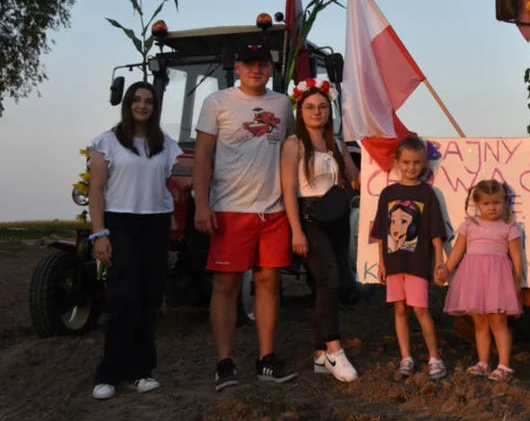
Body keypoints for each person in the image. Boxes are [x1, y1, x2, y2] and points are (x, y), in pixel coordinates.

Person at [194, 43, 297, 390]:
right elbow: (202, 157)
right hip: (230, 209)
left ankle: (266, 359)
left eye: (263, 64)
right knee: (226, 286)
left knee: (268, 284)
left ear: (271, 69)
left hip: (273, 211)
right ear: (237, 67)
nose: (256, 70)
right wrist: (202, 205)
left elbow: (292, 150)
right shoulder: (217, 103)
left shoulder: (282, 104)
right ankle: (225, 362)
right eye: (249, 64)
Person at [87, 82, 182, 400]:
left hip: (155, 224)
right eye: (137, 100)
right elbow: (96, 190)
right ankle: (108, 375)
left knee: (149, 299)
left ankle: (141, 371)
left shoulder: (166, 145)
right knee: (123, 299)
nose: (143, 106)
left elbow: (167, 185)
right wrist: (100, 234)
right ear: (127, 104)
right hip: (120, 223)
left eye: (149, 101)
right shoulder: (108, 142)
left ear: (155, 108)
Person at [281, 80, 362, 383]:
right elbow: (288, 189)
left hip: (337, 217)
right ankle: (334, 350)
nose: (317, 111)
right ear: (300, 112)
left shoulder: (338, 144)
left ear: (330, 111)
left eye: (323, 107)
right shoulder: (294, 145)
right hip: (309, 218)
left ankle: (317, 355)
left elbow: (354, 179)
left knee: (324, 284)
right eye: (310, 107)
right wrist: (296, 231)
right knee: (329, 278)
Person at [370, 136, 448, 379]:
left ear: (424, 164)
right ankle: (406, 357)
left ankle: (435, 357)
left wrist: (439, 262)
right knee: (400, 309)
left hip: (418, 264)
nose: (411, 167)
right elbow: (382, 232)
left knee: (421, 309)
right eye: (406, 162)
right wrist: (381, 263)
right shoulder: (387, 193)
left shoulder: (427, 194)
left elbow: (436, 232)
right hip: (393, 264)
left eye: (416, 163)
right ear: (397, 163)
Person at [438, 180, 524, 382]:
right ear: (477, 204)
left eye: (496, 202)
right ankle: (483, 362)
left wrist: (517, 279)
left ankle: (504, 365)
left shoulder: (508, 226)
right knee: (480, 322)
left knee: (498, 320)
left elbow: (516, 256)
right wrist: (446, 269)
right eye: (486, 203)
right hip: (474, 278)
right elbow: (458, 250)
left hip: (497, 279)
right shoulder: (469, 225)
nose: (492, 207)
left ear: (504, 203)